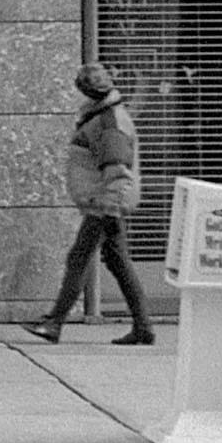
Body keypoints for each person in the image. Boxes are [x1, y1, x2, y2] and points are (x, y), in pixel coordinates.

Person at [25, 61, 156, 347]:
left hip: (105, 203)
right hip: (105, 200)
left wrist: (108, 206)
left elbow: (117, 168)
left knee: (79, 258)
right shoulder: (101, 116)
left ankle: (54, 323)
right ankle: (143, 327)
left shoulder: (109, 122)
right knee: (118, 262)